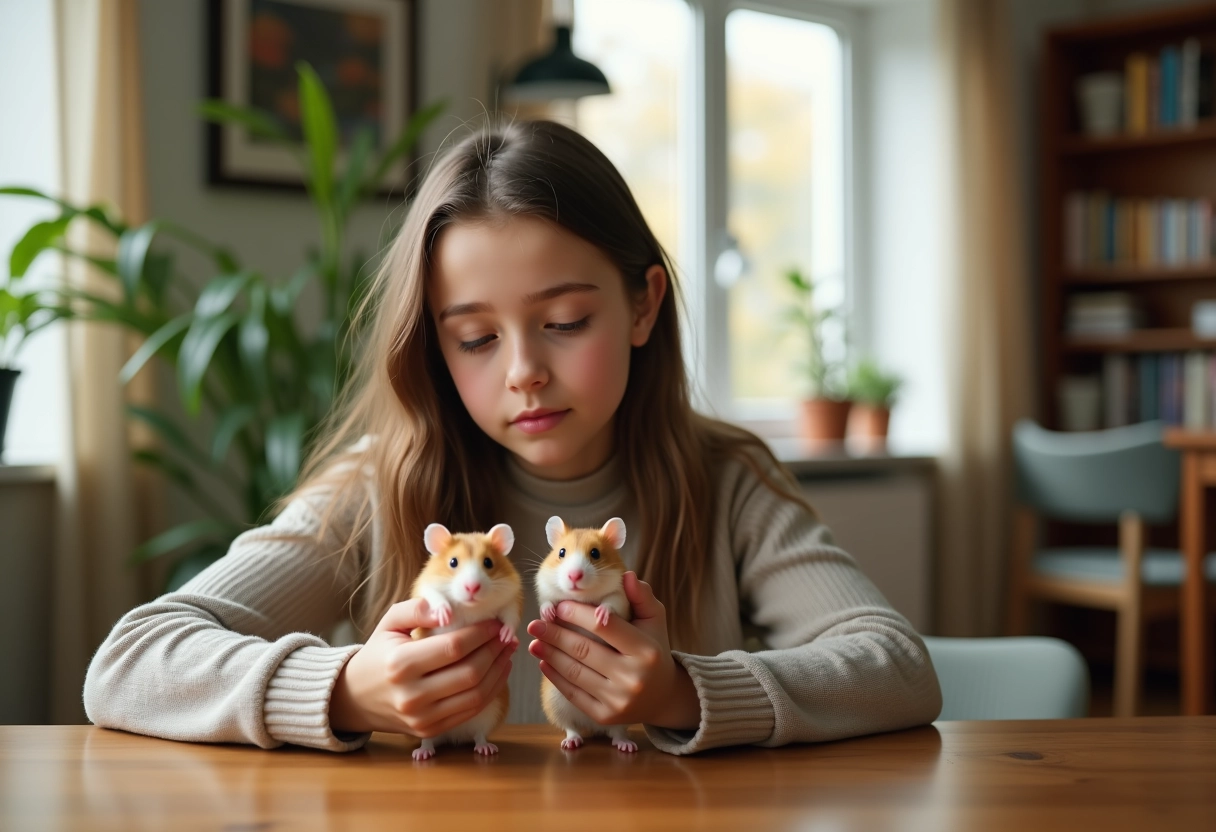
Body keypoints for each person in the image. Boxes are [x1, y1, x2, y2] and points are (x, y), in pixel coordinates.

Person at [83, 120, 941, 755]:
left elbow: (897, 666)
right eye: (477, 339)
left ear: (644, 304)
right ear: (434, 345)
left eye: (564, 321)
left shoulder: (728, 480)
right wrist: (344, 690)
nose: (524, 370)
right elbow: (129, 661)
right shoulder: (374, 484)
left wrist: (683, 689)